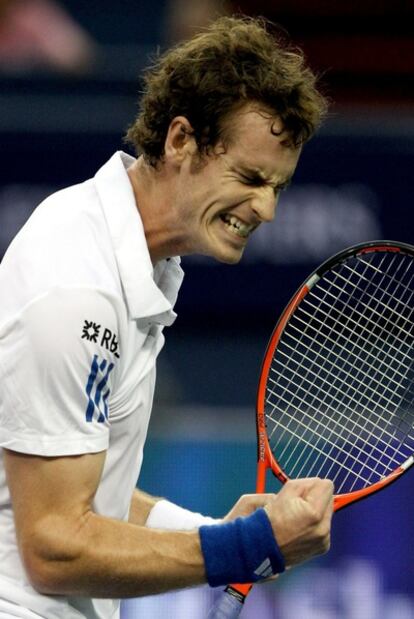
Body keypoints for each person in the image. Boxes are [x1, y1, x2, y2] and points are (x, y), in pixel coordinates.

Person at [0, 15, 334, 619]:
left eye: (278, 187)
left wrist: (215, 529)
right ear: (180, 140)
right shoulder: (79, 289)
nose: (266, 208)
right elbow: (53, 546)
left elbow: (84, 490)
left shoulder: (124, 257)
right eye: (250, 177)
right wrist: (243, 548)